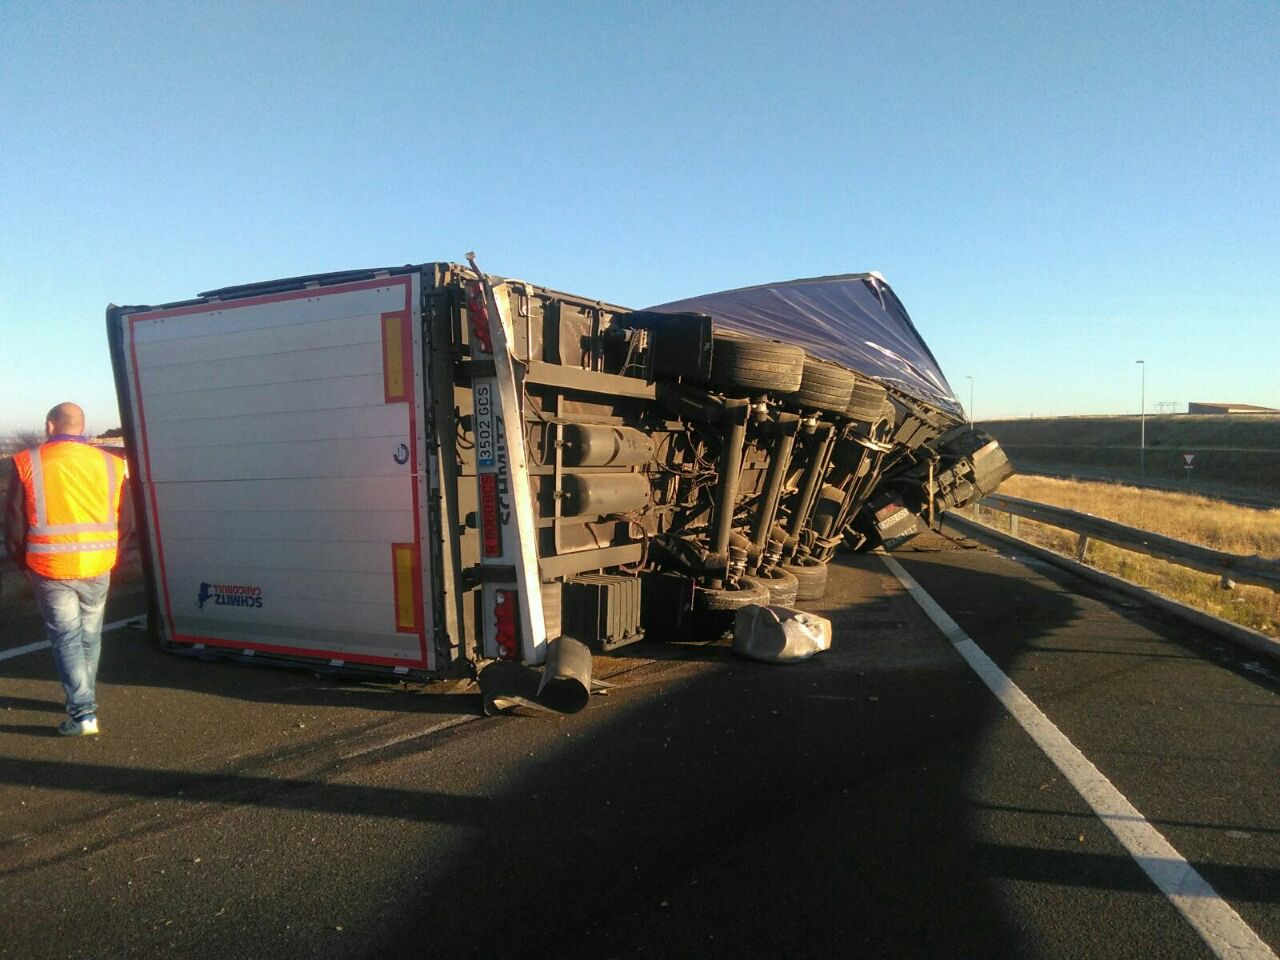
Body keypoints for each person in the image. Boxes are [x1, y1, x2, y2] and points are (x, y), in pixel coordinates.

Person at [4, 403, 131, 736]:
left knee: (66, 638)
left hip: (49, 565)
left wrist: (24, 560)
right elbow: (126, 519)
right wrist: (111, 554)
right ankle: (84, 697)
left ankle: (83, 712)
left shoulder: (27, 462)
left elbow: (14, 522)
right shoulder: (112, 464)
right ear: (82, 426)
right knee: (89, 634)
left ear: (50, 425)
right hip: (98, 563)